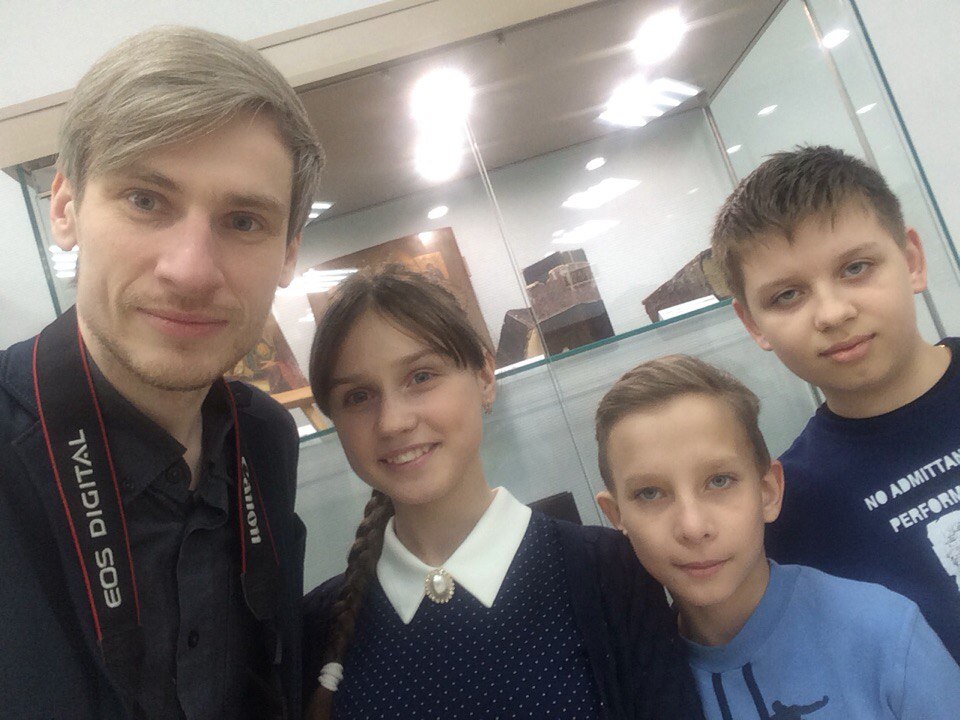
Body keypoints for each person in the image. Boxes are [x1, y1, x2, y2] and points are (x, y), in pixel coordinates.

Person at [0, 26, 324, 719]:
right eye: (146, 200)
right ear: (65, 208)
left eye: (244, 221)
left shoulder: (265, 441)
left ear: (289, 253)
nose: (191, 271)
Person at [301, 265, 704, 720]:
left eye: (421, 376)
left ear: (485, 377)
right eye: (358, 397)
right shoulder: (317, 626)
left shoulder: (608, 572)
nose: (392, 421)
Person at [594, 354, 960, 719]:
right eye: (650, 493)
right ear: (616, 516)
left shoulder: (884, 634)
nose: (692, 527)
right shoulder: (627, 687)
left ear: (768, 492)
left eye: (719, 481)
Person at [709, 145, 960, 663]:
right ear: (753, 324)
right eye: (787, 296)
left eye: (856, 268)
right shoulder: (789, 511)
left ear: (912, 261)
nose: (832, 313)